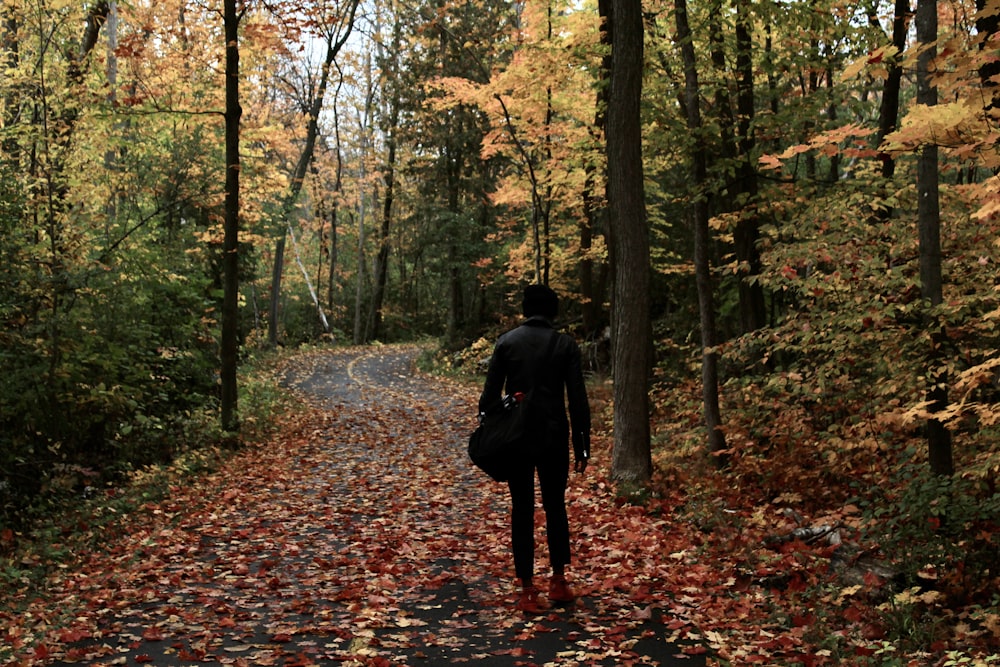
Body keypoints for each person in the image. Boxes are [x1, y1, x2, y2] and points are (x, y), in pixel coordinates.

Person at [478, 284, 591, 614]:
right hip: (554, 434)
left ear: (526, 309)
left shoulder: (506, 343)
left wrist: (502, 415)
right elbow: (578, 400)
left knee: (522, 508)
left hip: (517, 437)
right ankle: (558, 581)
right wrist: (582, 444)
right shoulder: (566, 344)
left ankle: (527, 589)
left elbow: (488, 402)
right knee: (556, 506)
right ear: (552, 310)